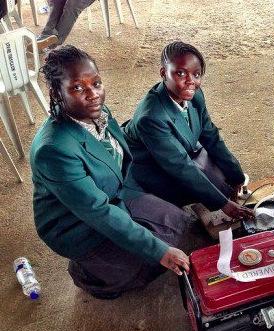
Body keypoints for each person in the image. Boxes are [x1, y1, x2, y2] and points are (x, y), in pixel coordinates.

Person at [31, 45, 204, 299]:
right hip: (76, 224)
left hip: (112, 193)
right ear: (57, 93)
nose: (93, 94)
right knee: (143, 267)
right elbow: (98, 212)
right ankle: (86, 273)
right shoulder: (54, 149)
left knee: (178, 224)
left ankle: (122, 245)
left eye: (96, 83)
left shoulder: (98, 112)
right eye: (77, 88)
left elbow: (119, 160)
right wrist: (159, 252)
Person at [123, 41, 253, 220]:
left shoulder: (195, 95)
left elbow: (211, 136)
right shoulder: (151, 117)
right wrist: (224, 204)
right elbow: (180, 166)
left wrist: (236, 174)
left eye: (196, 74)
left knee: (223, 183)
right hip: (150, 165)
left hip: (178, 152)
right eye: (181, 73)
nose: (191, 81)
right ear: (163, 73)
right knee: (184, 208)